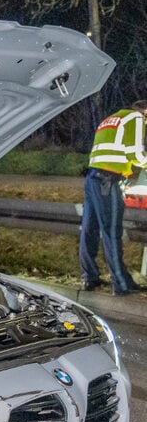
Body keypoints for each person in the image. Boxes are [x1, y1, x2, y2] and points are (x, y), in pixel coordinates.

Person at [79, 100, 147, 296]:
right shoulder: (136, 117)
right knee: (111, 232)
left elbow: (111, 152)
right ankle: (121, 285)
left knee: (89, 230)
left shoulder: (110, 119)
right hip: (107, 182)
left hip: (92, 178)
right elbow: (135, 153)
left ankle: (89, 278)